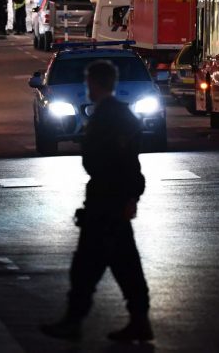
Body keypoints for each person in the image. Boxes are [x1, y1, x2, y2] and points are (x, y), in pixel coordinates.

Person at [40, 60, 152, 343]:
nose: (86, 87)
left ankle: (74, 322)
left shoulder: (110, 117)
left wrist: (128, 197)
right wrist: (131, 197)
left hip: (106, 202)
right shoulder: (114, 114)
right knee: (125, 266)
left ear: (97, 83)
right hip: (110, 200)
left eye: (89, 81)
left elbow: (124, 163)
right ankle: (138, 321)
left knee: (87, 268)